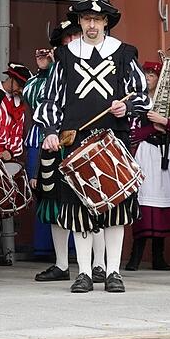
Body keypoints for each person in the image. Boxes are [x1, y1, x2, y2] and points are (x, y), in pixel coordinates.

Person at [35, 0, 150, 293]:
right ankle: (84, 273)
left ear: (105, 23)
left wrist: (128, 107)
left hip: (114, 139)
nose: (92, 25)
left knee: (115, 209)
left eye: (97, 20)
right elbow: (51, 98)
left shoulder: (124, 53)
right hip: (76, 140)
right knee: (79, 209)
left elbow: (141, 94)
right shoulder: (64, 55)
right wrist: (50, 130)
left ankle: (113, 272)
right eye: (87, 19)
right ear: (80, 22)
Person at [26, 20, 108, 285]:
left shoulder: (94, 63)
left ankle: (99, 264)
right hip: (55, 145)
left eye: (75, 36)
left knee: (93, 201)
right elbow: (34, 100)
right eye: (66, 39)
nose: (71, 41)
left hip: (86, 142)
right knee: (53, 204)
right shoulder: (54, 69)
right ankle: (61, 263)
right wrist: (44, 71)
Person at [124, 60, 170, 271]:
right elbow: (131, 133)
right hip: (147, 154)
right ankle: (136, 256)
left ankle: (158, 256)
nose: (148, 78)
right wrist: (153, 128)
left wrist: (164, 121)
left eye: (152, 75)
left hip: (168, 154)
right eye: (146, 74)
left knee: (164, 204)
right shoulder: (136, 101)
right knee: (145, 202)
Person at [0, 62, 33, 268]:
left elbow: (17, 131)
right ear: (10, 79)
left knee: (0, 206)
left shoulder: (19, 103)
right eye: (19, 85)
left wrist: (12, 153)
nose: (20, 90)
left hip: (7, 157)